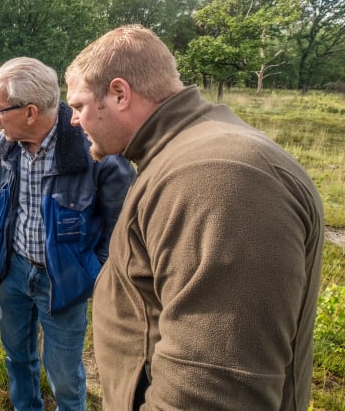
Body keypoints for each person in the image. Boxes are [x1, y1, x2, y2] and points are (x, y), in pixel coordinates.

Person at [65, 24, 324, 410]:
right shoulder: (181, 157)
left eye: (79, 105)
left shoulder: (215, 176)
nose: (73, 120)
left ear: (119, 93)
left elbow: (212, 392)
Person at [0, 57, 135, 411]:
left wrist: (94, 271)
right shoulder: (1, 148)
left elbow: (121, 226)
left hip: (63, 282)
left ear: (31, 112)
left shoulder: (96, 151)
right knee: (17, 357)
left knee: (63, 373)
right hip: (14, 273)